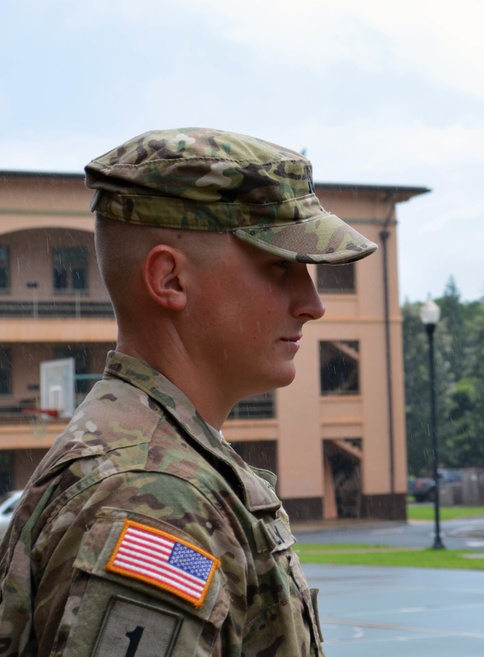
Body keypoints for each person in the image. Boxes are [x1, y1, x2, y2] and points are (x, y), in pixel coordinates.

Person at [0, 128, 377, 655]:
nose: (312, 303)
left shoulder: (158, 463)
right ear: (170, 280)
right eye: (278, 267)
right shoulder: (152, 498)